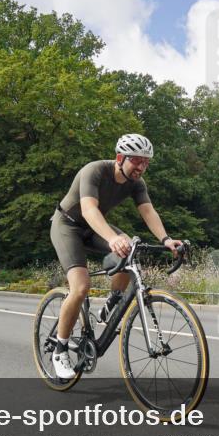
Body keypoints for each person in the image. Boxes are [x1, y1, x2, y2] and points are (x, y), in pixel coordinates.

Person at [49, 134, 182, 379]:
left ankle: (113, 300)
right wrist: (112, 238)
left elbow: (148, 211)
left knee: (130, 249)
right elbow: (89, 209)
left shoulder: (137, 182)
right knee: (80, 287)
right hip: (67, 226)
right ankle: (60, 349)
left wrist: (166, 239)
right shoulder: (95, 171)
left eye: (146, 162)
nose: (141, 167)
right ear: (120, 158)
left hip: (93, 227)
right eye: (137, 161)